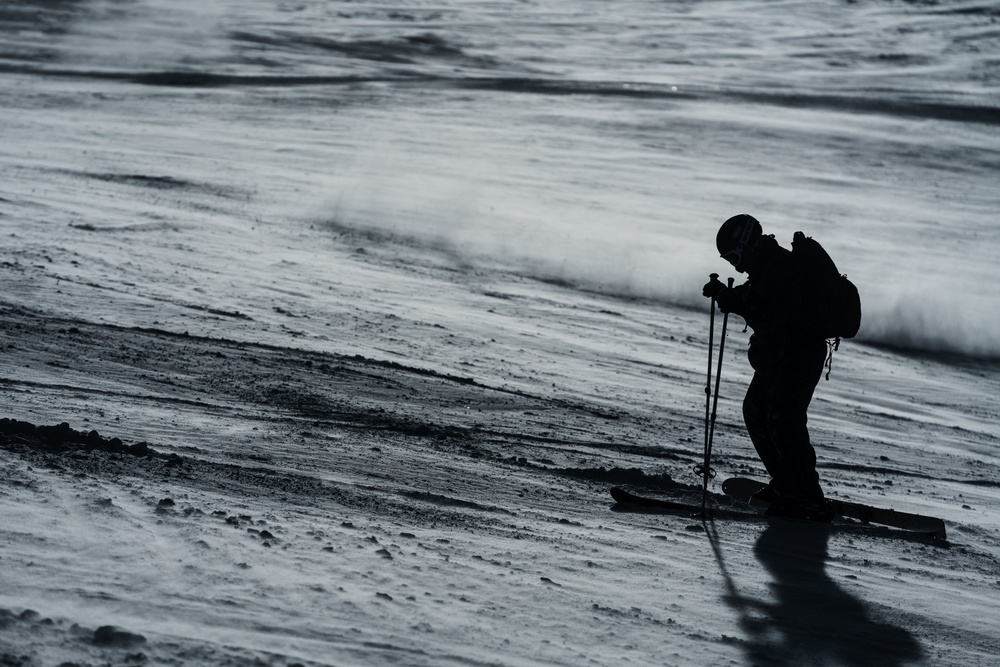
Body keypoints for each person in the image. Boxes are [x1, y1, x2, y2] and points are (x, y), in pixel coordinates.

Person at [702, 214, 833, 522]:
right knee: (756, 411)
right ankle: (788, 486)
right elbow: (758, 299)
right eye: (728, 259)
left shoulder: (781, 268)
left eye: (734, 255)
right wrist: (727, 293)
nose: (734, 264)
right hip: (782, 357)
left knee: (783, 421)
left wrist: (737, 303)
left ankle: (807, 497)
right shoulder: (767, 266)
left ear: (747, 245)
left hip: (799, 356)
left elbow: (778, 319)